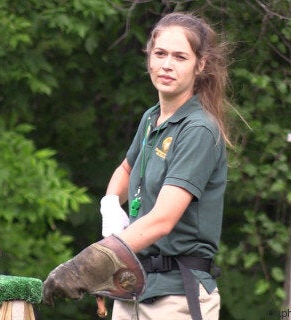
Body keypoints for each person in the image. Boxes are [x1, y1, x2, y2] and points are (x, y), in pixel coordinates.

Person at [43, 12, 231, 320]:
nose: (167, 64)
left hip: (177, 296)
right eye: (160, 54)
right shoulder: (151, 118)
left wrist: (92, 262)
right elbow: (126, 170)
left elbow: (162, 220)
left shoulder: (198, 129)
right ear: (149, 58)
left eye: (180, 57)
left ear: (200, 65)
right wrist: (110, 209)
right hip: (132, 287)